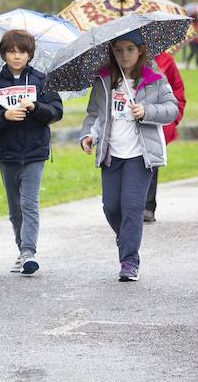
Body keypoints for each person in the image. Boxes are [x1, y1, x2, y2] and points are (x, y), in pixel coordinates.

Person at [79, 32, 178, 281]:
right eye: (119, 49)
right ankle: (126, 237)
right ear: (112, 51)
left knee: (132, 208)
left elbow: (172, 109)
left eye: (130, 49)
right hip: (111, 154)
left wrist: (146, 110)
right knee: (111, 207)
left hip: (140, 155)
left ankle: (129, 261)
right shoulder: (103, 80)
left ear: (141, 50)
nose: (125, 55)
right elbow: (93, 115)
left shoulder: (155, 79)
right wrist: (87, 136)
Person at [0, 30, 63, 275]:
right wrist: (4, 116)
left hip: (34, 152)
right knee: (15, 207)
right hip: (7, 153)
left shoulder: (42, 81)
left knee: (29, 203)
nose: (17, 56)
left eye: (22, 52)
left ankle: (29, 252)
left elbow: (56, 111)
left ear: (30, 54)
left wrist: (35, 107)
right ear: (4, 54)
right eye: (12, 52)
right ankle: (21, 250)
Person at [143, 51, 186, 222]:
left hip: (157, 122)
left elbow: (178, 90)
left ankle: (148, 206)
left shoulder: (165, 60)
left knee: (152, 164)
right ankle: (132, 205)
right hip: (131, 123)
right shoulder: (122, 59)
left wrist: (173, 120)